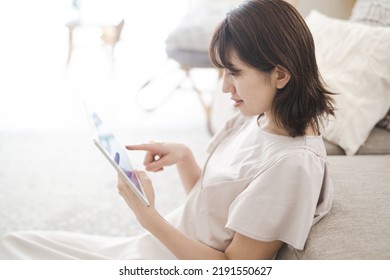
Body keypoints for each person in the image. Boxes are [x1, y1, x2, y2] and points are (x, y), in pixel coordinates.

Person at [0, 0, 335, 260]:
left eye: (234, 73)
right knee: (15, 245)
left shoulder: (291, 166)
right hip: (151, 248)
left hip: (162, 260)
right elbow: (212, 216)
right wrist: (186, 158)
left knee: (14, 254)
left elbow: (234, 269)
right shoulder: (258, 115)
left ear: (280, 74)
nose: (224, 88)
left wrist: (148, 217)